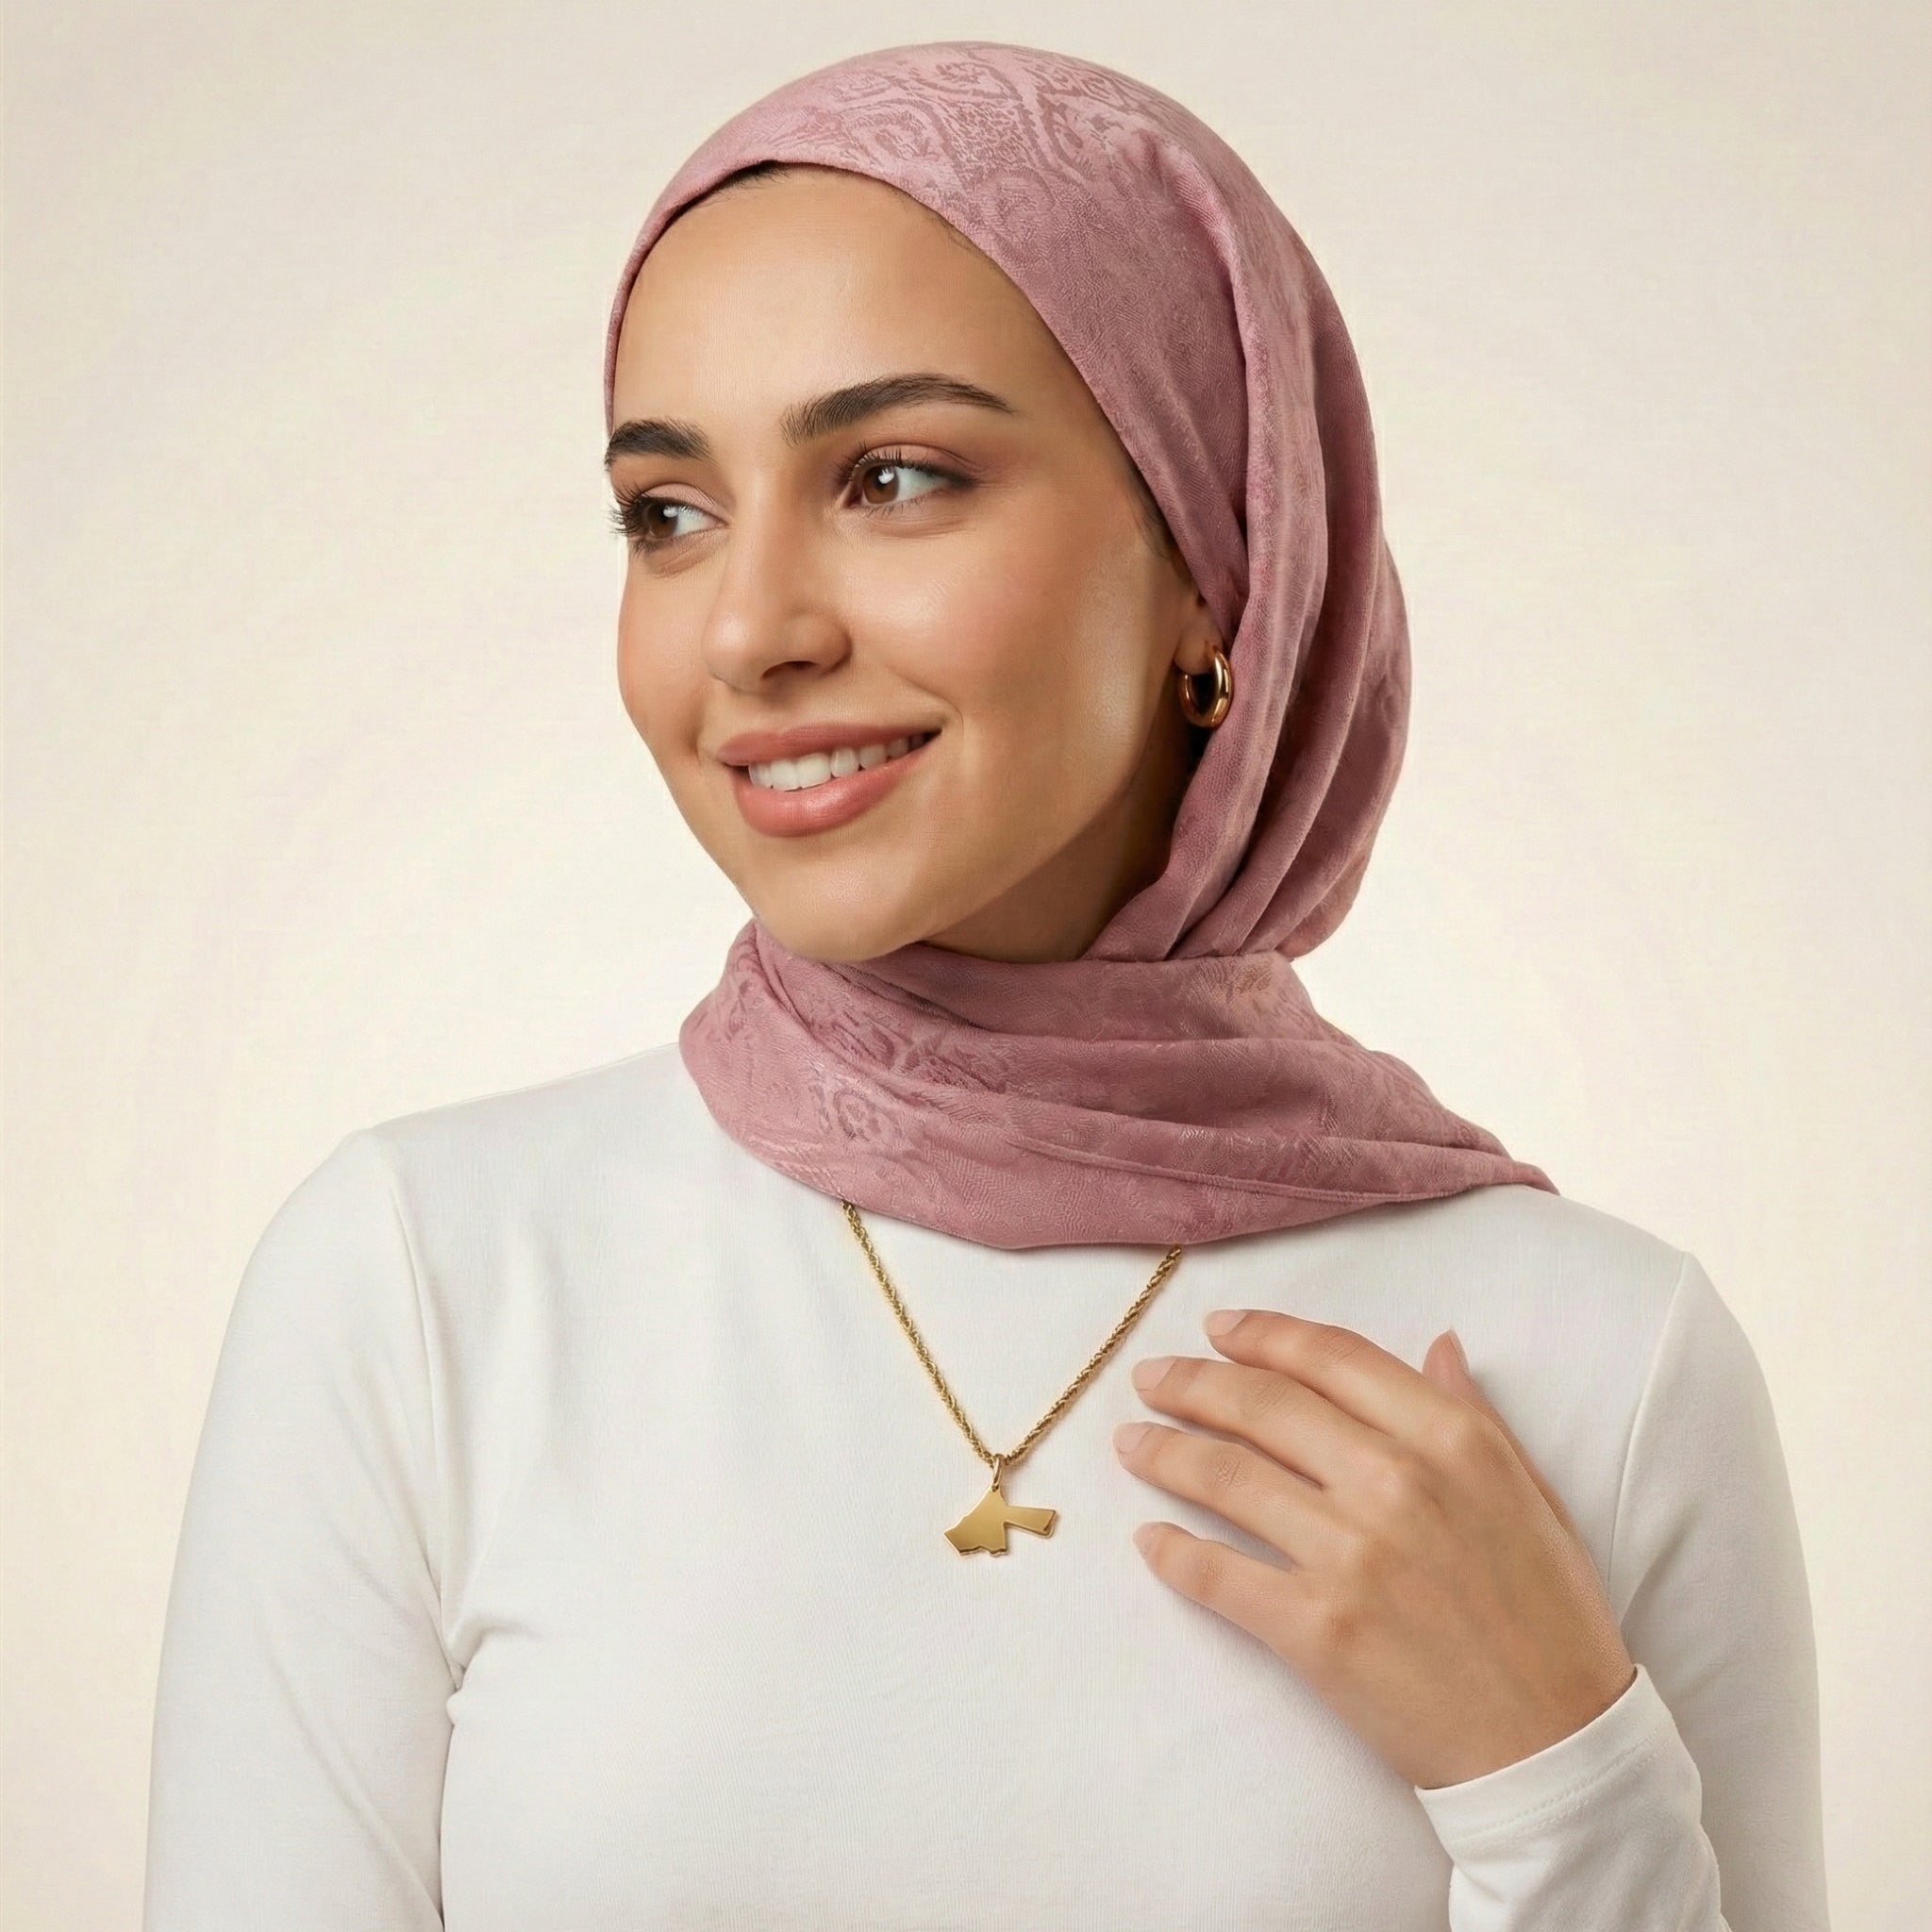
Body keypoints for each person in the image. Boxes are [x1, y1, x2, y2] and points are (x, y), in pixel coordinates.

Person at [142, 40, 1828, 1931]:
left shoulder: (1594, 1363)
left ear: (1213, 563)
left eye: (896, 478)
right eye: (665, 512)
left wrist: (1565, 1780)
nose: (756, 628)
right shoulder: (423, 1283)